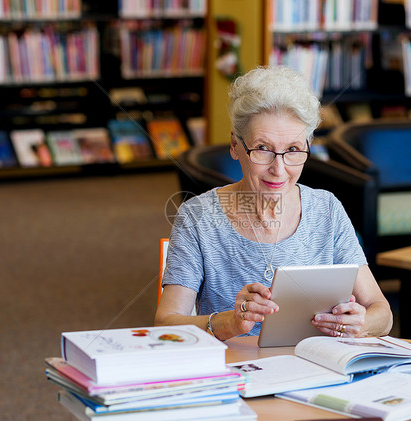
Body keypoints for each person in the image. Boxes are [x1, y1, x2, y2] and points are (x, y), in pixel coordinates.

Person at [155, 65, 393, 341]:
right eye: (263, 149)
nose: (279, 170)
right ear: (235, 145)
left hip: (316, 369)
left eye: (292, 150)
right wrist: (229, 323)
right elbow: (165, 325)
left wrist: (359, 323)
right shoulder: (199, 218)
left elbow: (383, 313)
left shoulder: (327, 209)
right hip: (237, 372)